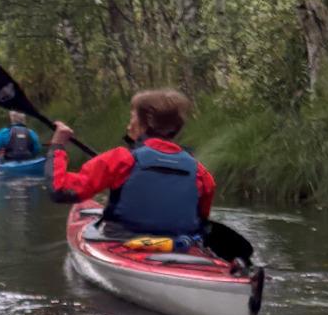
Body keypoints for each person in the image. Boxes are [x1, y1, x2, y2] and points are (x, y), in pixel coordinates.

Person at [47, 90, 215, 237]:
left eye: (132, 117)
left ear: (146, 123)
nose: (128, 126)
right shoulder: (199, 171)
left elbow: (60, 190)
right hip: (180, 246)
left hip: (123, 241)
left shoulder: (120, 159)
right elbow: (200, 219)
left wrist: (58, 146)